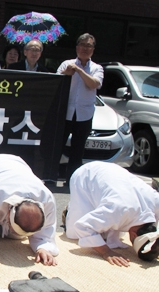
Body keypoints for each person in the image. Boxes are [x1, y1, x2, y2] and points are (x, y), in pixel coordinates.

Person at [65, 161, 159, 267]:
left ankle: (98, 211)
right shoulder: (118, 209)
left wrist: (158, 246)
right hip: (87, 175)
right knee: (74, 233)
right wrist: (106, 252)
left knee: (104, 230)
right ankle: (69, 210)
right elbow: (83, 226)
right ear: (133, 235)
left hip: (114, 178)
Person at [0, 154, 58, 266]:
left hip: (17, 163)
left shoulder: (47, 199)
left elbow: (46, 234)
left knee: (16, 236)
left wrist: (43, 247)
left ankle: (0, 225)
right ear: (9, 214)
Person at [50, 33, 104, 183]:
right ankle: (50, 177)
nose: (85, 49)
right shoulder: (67, 64)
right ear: (77, 47)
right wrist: (65, 73)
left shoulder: (97, 68)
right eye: (83, 45)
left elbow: (94, 84)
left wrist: (79, 70)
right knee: (57, 146)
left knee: (77, 149)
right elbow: (55, 82)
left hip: (84, 114)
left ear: (93, 49)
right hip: (65, 112)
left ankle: (72, 180)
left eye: (89, 46)